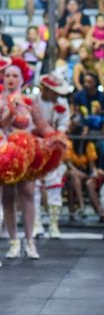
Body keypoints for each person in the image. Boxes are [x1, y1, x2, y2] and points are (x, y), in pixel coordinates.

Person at [0, 59, 67, 260]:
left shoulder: (29, 101)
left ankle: (30, 241)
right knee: (8, 196)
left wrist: (55, 138)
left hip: (26, 152)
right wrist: (11, 111)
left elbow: (42, 125)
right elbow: (2, 125)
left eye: (15, 76)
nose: (11, 79)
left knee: (28, 194)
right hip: (5, 152)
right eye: (8, 75)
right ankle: (13, 241)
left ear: (22, 79)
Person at [32, 75, 72, 239]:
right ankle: (36, 223)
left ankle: (54, 224)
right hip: (34, 146)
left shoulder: (62, 104)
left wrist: (57, 135)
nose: (57, 95)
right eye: (54, 91)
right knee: (33, 185)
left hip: (54, 146)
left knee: (54, 184)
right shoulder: (32, 101)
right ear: (45, 90)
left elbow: (64, 124)